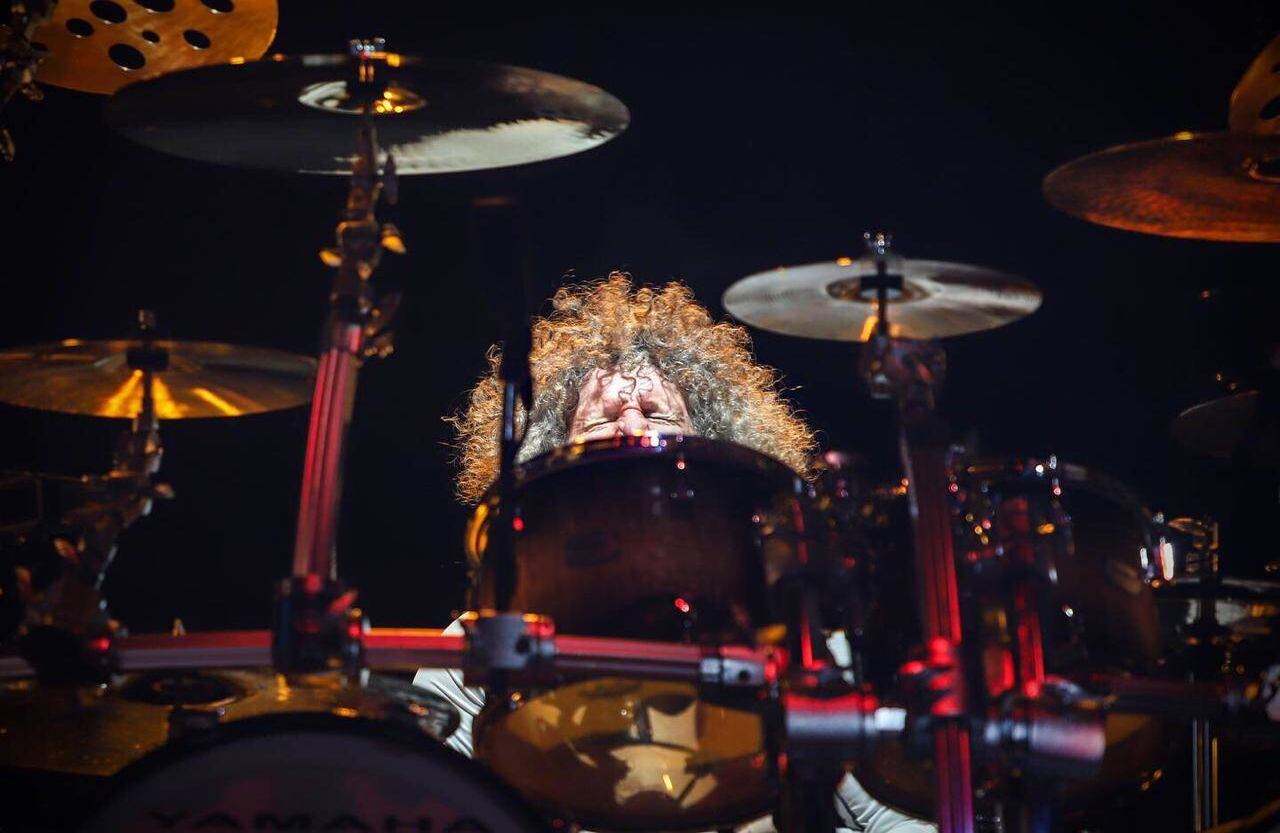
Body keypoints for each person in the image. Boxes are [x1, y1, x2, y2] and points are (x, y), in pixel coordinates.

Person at [416, 273, 933, 833]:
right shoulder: (480, 655)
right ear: (552, 463)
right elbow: (422, 808)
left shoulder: (803, 646)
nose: (634, 429)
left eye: (658, 416)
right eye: (603, 420)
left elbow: (902, 819)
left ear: (714, 452)